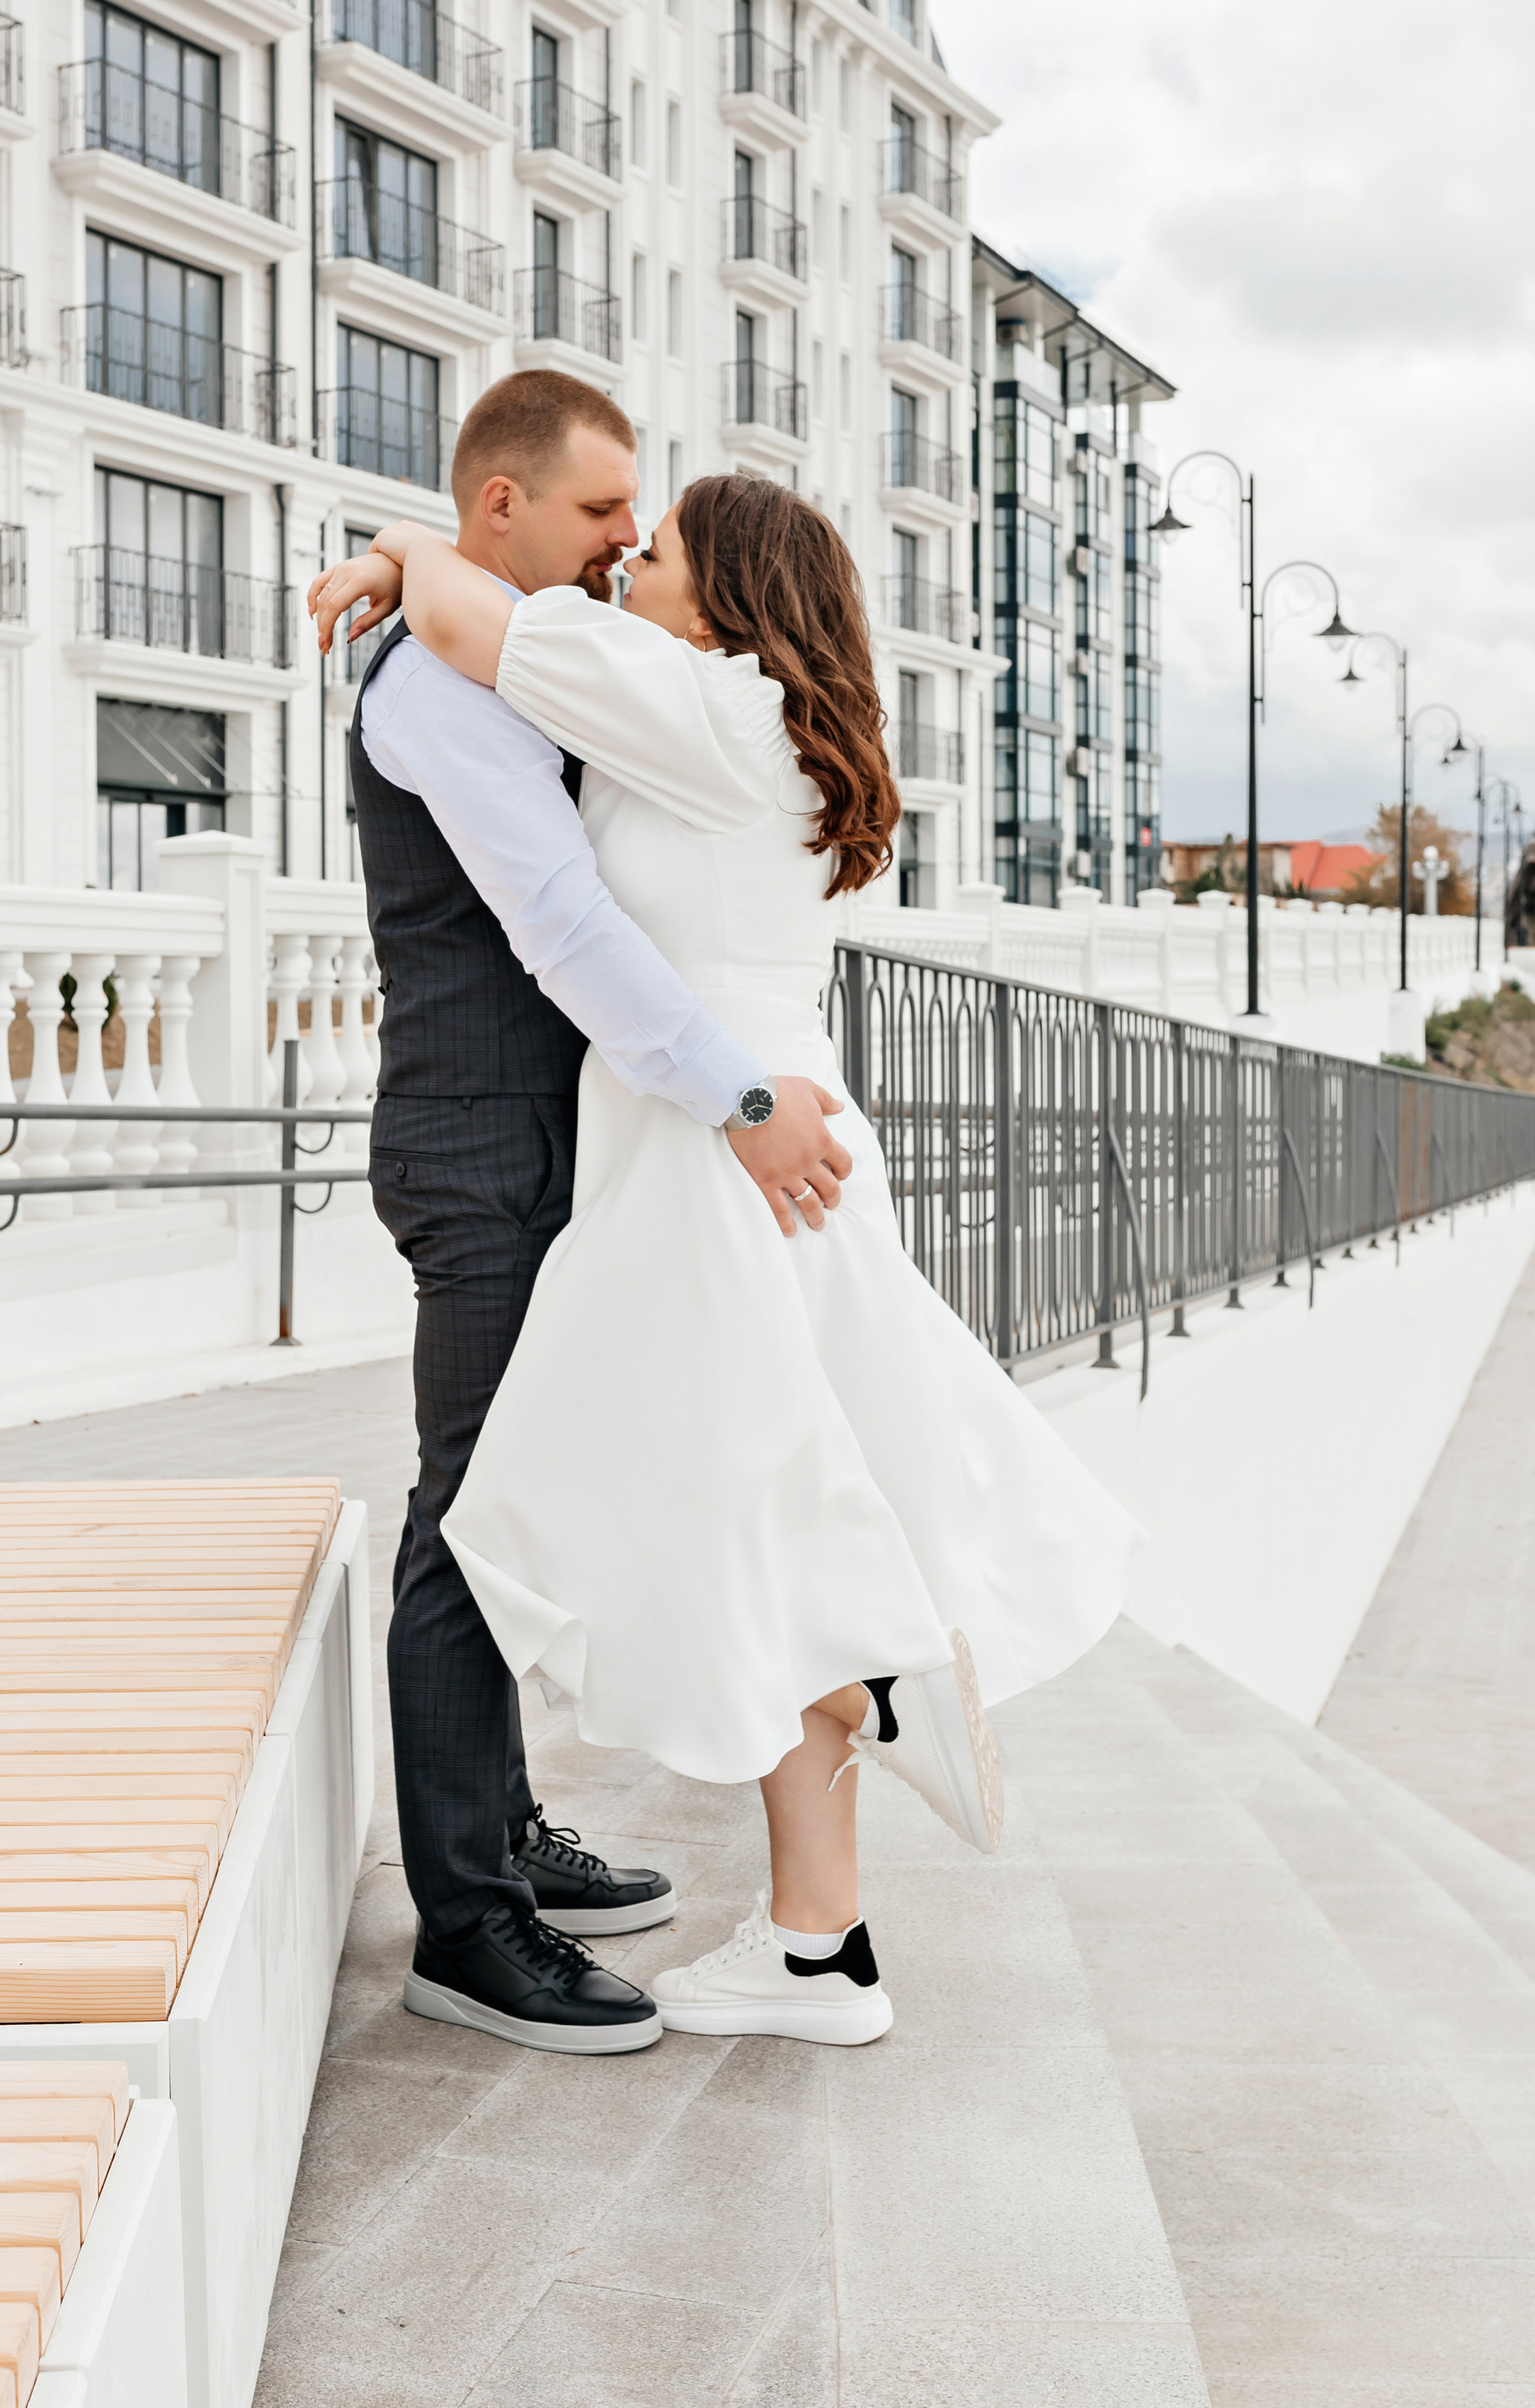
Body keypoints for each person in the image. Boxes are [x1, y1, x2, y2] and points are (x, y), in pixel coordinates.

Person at [336, 474, 1144, 2048]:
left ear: (726, 596)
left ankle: (845, 1701)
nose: (633, 555)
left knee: (592, 1502)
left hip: (729, 1148)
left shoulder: (691, 697)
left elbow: (452, 612)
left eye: (664, 544)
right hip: (758, 1131)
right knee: (754, 1500)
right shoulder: (750, 715)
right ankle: (817, 1928)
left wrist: (388, 548)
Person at [306, 373, 857, 2059]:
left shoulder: (503, 649)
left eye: (642, 519)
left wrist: (405, 555)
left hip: (560, 1141)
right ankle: (465, 1922)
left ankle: (502, 1826)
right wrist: (740, 1098)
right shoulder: (441, 698)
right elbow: (562, 925)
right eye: (603, 509)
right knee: (472, 1513)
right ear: (500, 509)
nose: (627, 542)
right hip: (482, 1145)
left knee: (532, 1486)